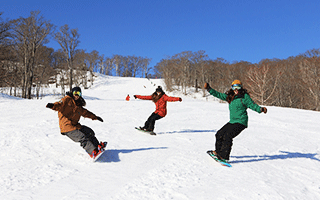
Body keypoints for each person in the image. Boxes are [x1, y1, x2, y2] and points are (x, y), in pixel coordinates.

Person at [204, 80, 267, 163]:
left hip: (241, 122)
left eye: (238, 86)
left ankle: (223, 157)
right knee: (219, 134)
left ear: (241, 87)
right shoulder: (230, 96)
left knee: (227, 136)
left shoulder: (244, 97)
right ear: (232, 87)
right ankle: (218, 152)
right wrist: (209, 89)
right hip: (232, 121)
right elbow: (218, 94)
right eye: (234, 87)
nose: (236, 89)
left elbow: (252, 105)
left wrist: (260, 109)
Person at [46, 86, 106, 158]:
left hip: (75, 125)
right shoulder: (67, 99)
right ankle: (92, 152)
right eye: (75, 93)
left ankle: (97, 147)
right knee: (82, 137)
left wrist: (95, 117)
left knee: (89, 132)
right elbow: (59, 105)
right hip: (67, 127)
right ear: (72, 93)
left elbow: (86, 113)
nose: (76, 95)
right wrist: (53, 106)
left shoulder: (78, 105)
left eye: (78, 93)